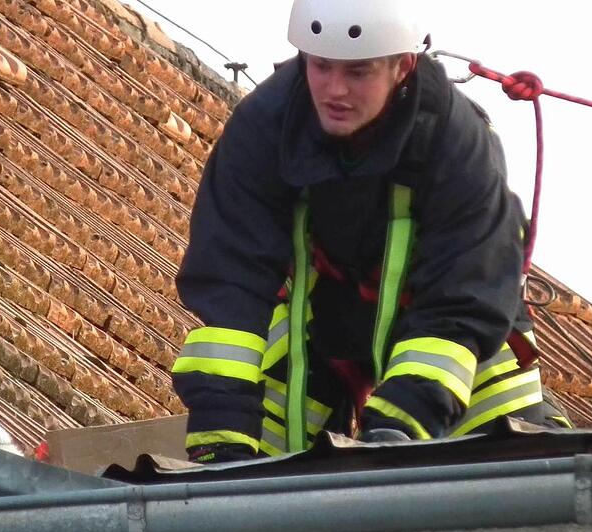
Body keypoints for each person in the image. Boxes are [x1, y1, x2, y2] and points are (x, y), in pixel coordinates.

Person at [170, 0, 570, 463]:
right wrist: (223, 438)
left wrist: (399, 430)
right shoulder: (263, 128)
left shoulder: (457, 143)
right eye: (321, 66)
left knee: (511, 466)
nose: (335, 90)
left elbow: (467, 295)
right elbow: (230, 285)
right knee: (259, 455)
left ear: (402, 66)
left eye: (358, 72)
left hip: (448, 326)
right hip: (326, 321)